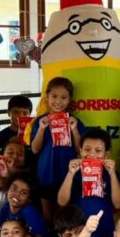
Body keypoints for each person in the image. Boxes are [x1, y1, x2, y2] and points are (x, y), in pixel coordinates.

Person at [58, 127, 120, 237]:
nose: (92, 154)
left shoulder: (111, 174)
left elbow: (118, 204)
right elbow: (62, 202)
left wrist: (112, 174)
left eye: (98, 151)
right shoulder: (74, 172)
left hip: (103, 227)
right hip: (77, 230)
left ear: (106, 154)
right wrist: (70, 173)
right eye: (87, 149)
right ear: (80, 151)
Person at [31, 76, 83, 218]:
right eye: (54, 96)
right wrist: (41, 129)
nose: (58, 101)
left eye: (63, 97)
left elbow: (81, 151)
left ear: (69, 99)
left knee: (64, 215)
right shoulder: (40, 122)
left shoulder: (75, 122)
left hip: (68, 175)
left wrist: (74, 130)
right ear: (47, 96)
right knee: (47, 216)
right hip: (46, 175)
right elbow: (35, 149)